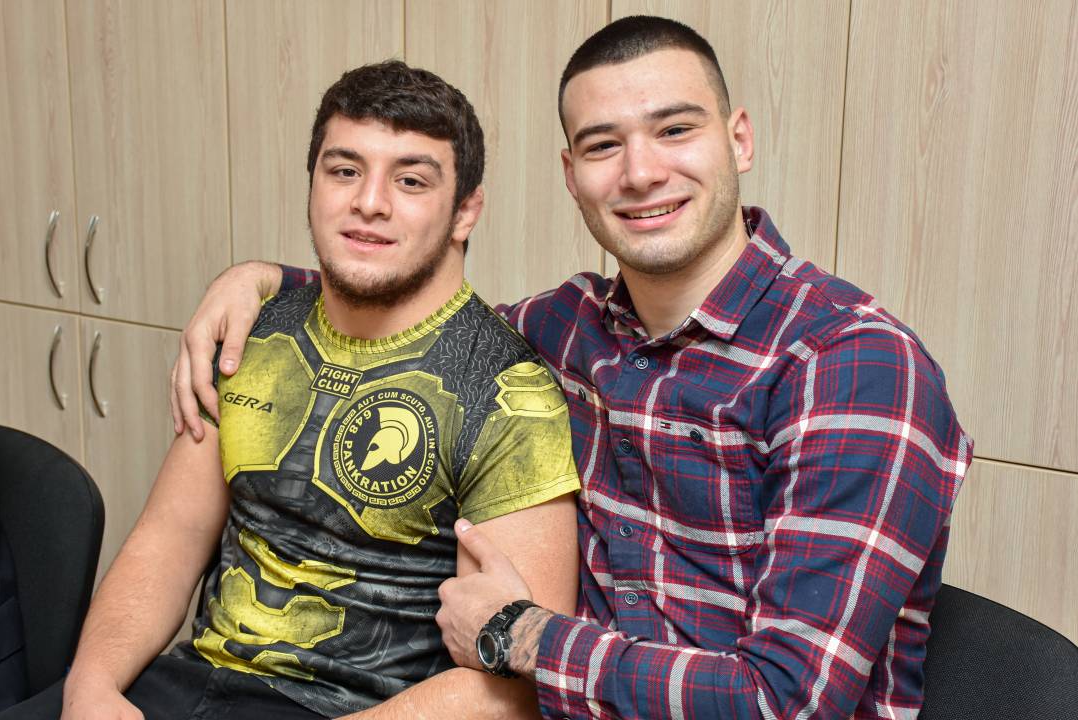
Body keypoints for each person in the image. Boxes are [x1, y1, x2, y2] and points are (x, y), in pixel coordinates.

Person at [171, 17, 972, 720]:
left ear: (739, 140)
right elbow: (405, 305)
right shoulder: (567, 327)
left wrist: (521, 633)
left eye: (674, 130)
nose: (640, 172)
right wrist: (264, 284)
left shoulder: (854, 368)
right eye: (602, 145)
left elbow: (784, 701)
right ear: (571, 175)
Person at [9, 61, 582, 720]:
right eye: (344, 170)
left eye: (411, 180)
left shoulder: (509, 394)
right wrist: (92, 685)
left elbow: (515, 685)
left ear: (465, 211)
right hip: (190, 681)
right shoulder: (251, 334)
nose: (370, 202)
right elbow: (169, 536)